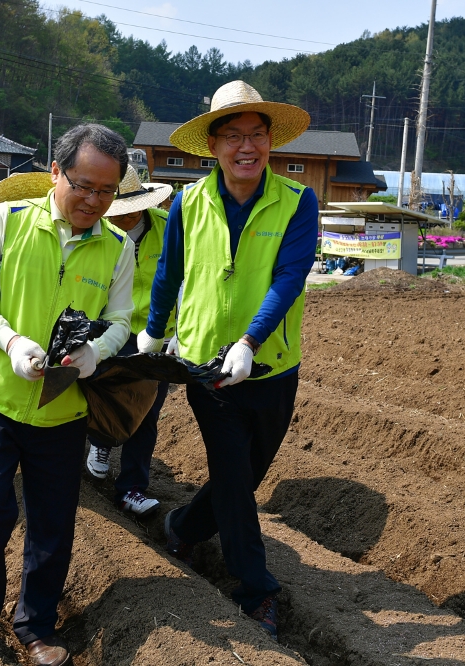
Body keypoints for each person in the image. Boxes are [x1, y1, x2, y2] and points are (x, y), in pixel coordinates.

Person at [136, 80, 318, 640]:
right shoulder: (189, 202)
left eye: (257, 134)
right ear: (213, 145)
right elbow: (169, 275)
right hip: (204, 362)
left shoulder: (297, 202)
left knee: (249, 471)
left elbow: (289, 277)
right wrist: (152, 332)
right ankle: (256, 589)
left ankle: (183, 525)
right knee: (236, 480)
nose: (247, 146)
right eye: (233, 135)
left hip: (271, 365)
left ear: (270, 141)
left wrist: (252, 341)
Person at [0, 124, 134, 666]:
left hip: (63, 407)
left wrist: (99, 351)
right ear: (55, 172)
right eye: (83, 185)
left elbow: (121, 319)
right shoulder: (5, 223)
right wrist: (11, 340)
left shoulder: (117, 247)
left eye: (106, 192)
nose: (93, 201)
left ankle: (36, 625)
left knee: (54, 521)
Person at [85, 165, 174, 517]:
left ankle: (132, 488)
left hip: (156, 335)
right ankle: (101, 443)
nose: (128, 216)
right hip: (108, 330)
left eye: (133, 208)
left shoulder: (168, 230)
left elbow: (189, 279)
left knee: (147, 411)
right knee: (102, 397)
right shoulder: (95, 233)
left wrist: (179, 332)